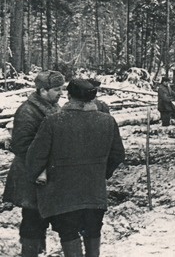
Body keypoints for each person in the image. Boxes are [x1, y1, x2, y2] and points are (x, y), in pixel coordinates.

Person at [26, 78, 125, 257]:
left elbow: (35, 157)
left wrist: (38, 177)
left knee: (68, 232)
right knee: (93, 230)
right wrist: (101, 173)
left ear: (69, 96)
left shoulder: (53, 122)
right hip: (94, 192)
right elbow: (118, 155)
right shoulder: (108, 121)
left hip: (63, 194)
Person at [2, 70, 65, 257]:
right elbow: (21, 146)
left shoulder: (52, 106)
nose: (61, 93)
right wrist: (40, 168)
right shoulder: (27, 112)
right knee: (32, 217)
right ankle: (29, 252)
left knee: (41, 215)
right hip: (30, 173)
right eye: (57, 89)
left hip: (46, 172)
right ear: (43, 90)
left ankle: (39, 250)